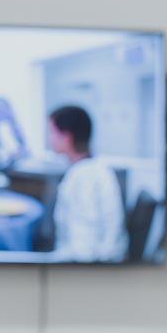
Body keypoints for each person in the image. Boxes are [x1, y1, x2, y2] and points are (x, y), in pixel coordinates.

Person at [47, 105, 127, 262]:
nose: (49, 139)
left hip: (84, 271)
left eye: (52, 132)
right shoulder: (93, 169)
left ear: (66, 137)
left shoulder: (84, 178)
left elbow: (83, 249)